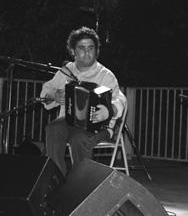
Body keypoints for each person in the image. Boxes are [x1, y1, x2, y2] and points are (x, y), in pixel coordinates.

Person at [40, 26, 126, 177]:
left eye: (91, 48)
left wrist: (109, 110)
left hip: (99, 127)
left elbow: (119, 99)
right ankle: (57, 181)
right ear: (73, 51)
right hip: (68, 122)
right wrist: (54, 95)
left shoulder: (106, 75)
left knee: (79, 139)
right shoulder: (66, 71)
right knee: (53, 129)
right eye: (81, 48)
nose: (87, 52)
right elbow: (46, 92)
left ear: (97, 51)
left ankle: (81, 187)